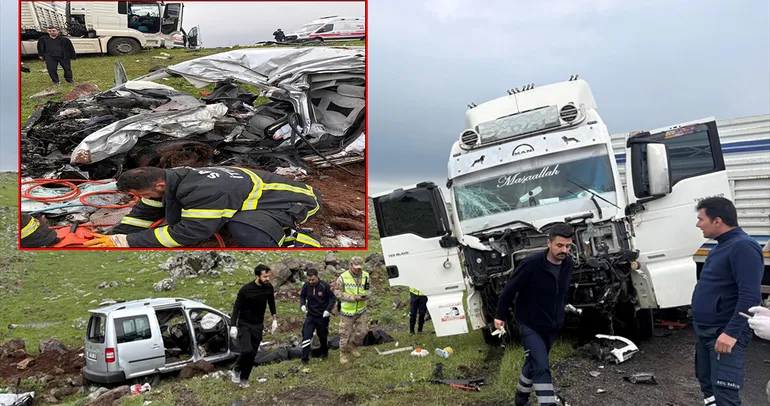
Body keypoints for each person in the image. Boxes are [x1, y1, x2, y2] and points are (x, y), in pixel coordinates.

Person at [83, 166, 322, 248]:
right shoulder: (172, 179)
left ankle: (294, 240)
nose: (138, 199)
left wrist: (127, 242)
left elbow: (189, 232)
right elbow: (144, 213)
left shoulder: (205, 191)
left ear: (159, 184)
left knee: (245, 229)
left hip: (296, 201)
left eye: (138, 194)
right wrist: (113, 236)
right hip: (252, 196)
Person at [691, 197, 763, 406]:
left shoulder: (743, 247)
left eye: (701, 219)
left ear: (717, 221)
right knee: (709, 388)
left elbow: (750, 296)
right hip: (707, 332)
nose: (698, 224)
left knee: (725, 393)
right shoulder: (723, 245)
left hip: (723, 333)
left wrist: (731, 333)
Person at [494, 223, 575, 406]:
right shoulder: (531, 264)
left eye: (568, 246)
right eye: (560, 245)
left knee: (533, 362)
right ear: (549, 243)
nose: (564, 250)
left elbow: (561, 294)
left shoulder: (568, 265)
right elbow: (509, 290)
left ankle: (520, 398)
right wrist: (500, 316)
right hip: (529, 323)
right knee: (542, 366)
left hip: (551, 325)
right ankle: (547, 403)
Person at [229, 264, 278, 388]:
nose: (267, 279)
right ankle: (236, 368)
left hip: (258, 324)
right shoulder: (246, 290)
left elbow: (271, 303)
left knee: (252, 354)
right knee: (247, 350)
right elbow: (236, 308)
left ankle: (244, 379)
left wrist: (274, 320)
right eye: (265, 276)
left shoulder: (269, 288)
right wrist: (233, 326)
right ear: (257, 276)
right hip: (244, 324)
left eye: (268, 276)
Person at [333, 256, 370, 364]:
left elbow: (369, 289)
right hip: (347, 311)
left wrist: (367, 295)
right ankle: (343, 354)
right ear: (351, 265)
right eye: (355, 267)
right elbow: (337, 292)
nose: (358, 270)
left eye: (359, 268)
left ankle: (352, 345)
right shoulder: (343, 277)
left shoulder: (366, 275)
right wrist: (353, 298)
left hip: (361, 310)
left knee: (362, 332)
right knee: (345, 334)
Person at [299, 268, 336, 364]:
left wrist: (328, 310)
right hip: (310, 316)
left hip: (322, 316)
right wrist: (302, 304)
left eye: (313, 280)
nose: (311, 282)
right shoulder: (306, 285)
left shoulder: (325, 286)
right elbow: (302, 296)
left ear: (317, 277)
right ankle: (304, 359)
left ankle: (324, 353)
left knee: (322, 336)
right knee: (306, 336)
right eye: (309, 280)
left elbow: (332, 298)